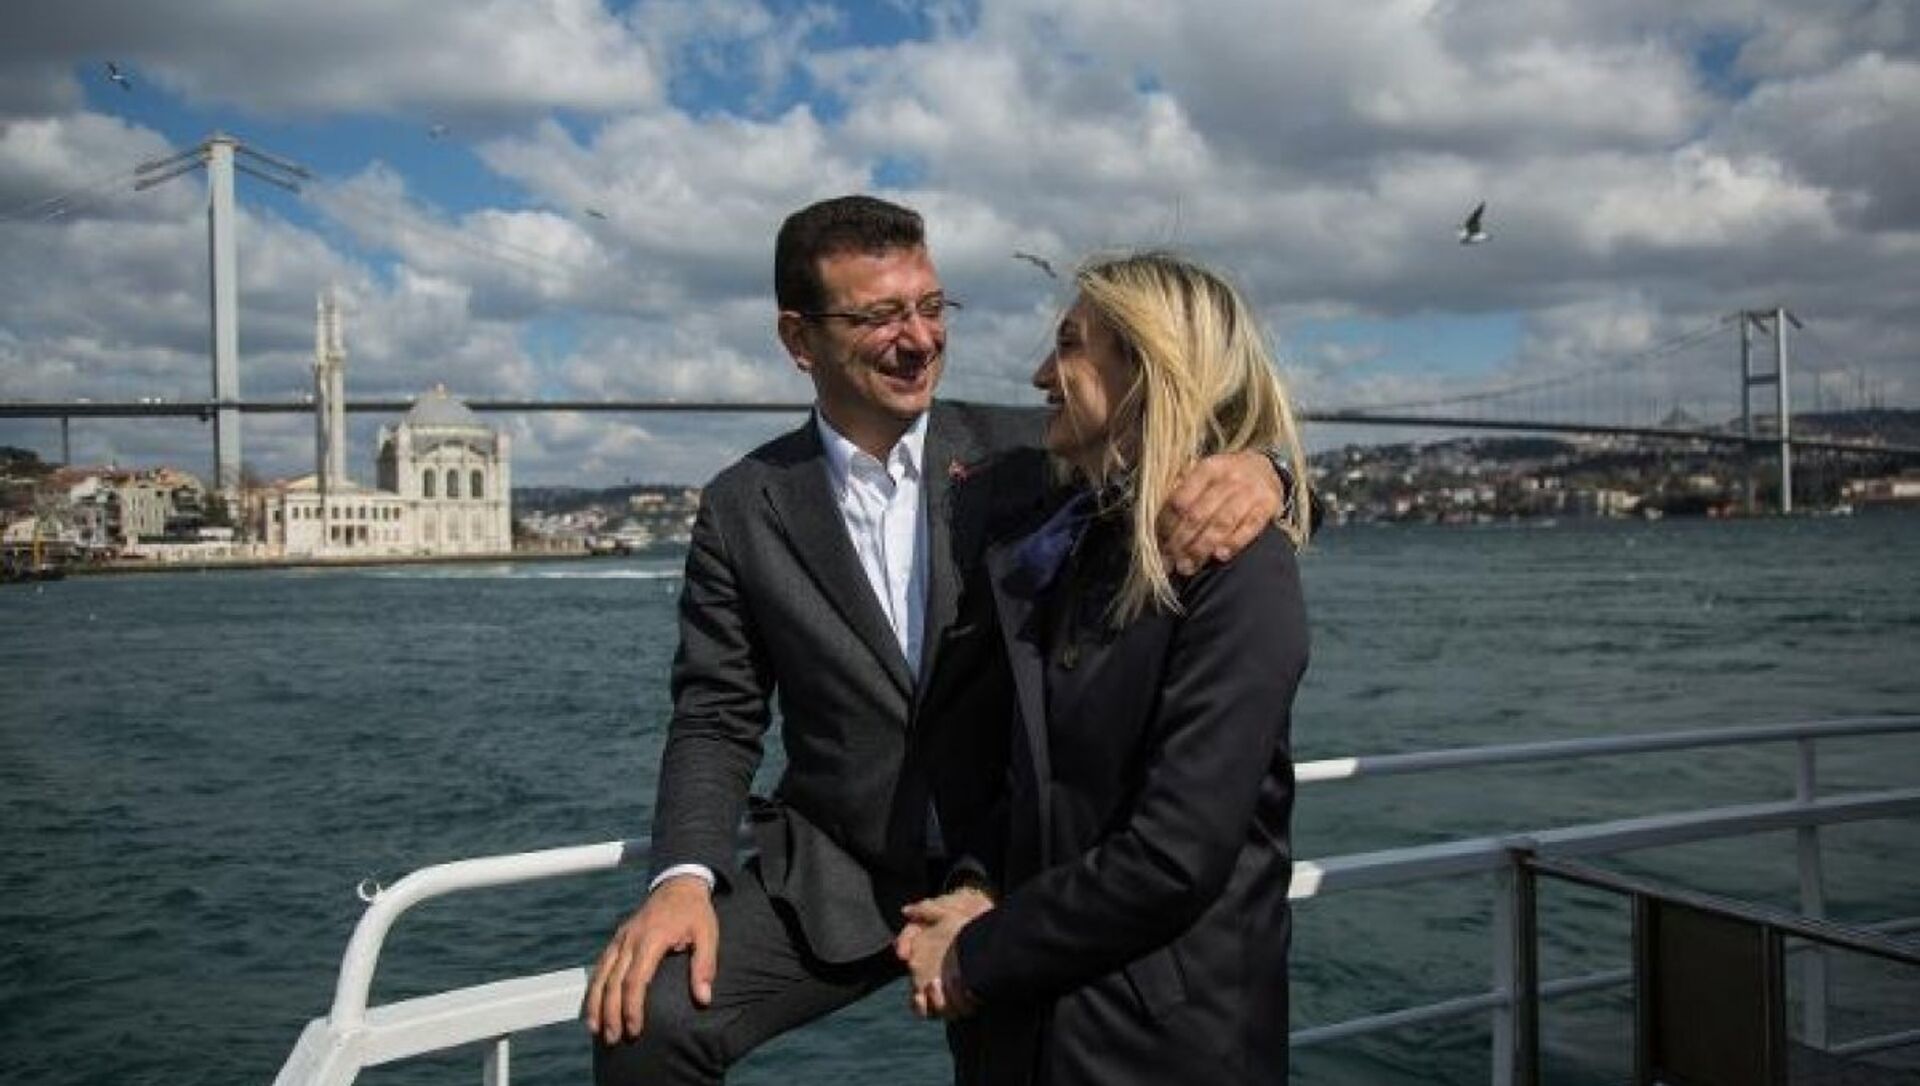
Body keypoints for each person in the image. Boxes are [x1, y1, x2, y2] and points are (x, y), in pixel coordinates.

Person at [584, 198, 1290, 1085]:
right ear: (799, 340)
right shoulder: (742, 506)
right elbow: (716, 715)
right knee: (648, 1023)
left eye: (931, 306)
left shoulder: (1038, 449)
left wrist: (1270, 471)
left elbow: (1176, 468)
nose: (919, 339)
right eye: (881, 315)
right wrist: (683, 879)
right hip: (841, 875)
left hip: (1020, 861)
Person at [897, 251, 1312, 1085]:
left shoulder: (1237, 571)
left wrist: (979, 953)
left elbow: (1175, 855)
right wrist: (976, 883)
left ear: (1149, 369)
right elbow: (1032, 778)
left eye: (1069, 346)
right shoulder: (1072, 546)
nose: (1039, 376)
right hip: (1031, 1028)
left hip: (1156, 1045)